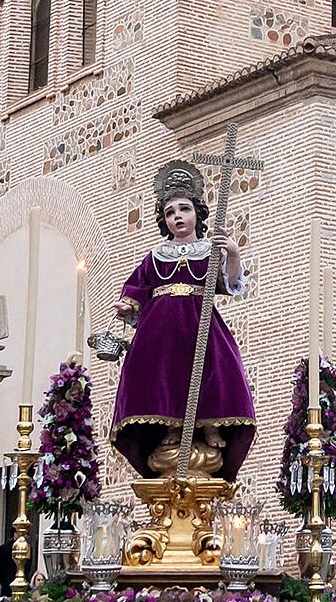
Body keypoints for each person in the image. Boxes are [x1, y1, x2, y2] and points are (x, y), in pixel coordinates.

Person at [107, 163, 256, 482]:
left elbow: (228, 284)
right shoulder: (156, 255)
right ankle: (173, 425)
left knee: (213, 370)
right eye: (170, 211)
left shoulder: (208, 250)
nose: (177, 216)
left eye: (184, 209)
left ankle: (210, 422)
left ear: (197, 214)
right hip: (160, 328)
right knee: (165, 376)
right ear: (164, 220)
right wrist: (126, 304)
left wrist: (231, 253)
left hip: (200, 321)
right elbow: (139, 285)